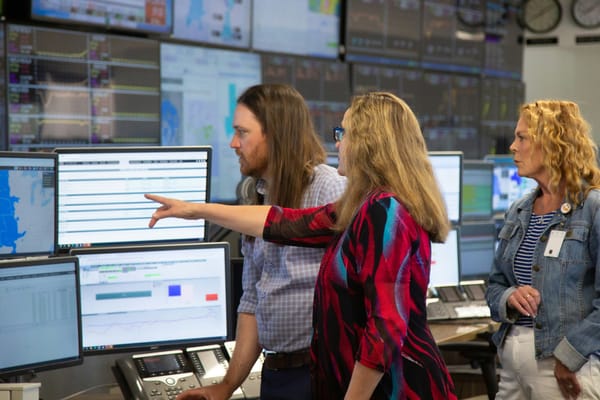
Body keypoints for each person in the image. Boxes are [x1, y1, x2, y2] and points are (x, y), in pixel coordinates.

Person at [146, 91, 458, 399]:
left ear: (368, 142)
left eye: (343, 132)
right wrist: (195, 209)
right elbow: (285, 223)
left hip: (399, 387)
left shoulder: (386, 211)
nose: (337, 142)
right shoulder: (362, 206)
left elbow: (385, 326)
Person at [179, 84, 346, 400]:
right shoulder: (254, 194)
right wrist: (227, 386)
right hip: (276, 375)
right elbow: (253, 299)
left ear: (276, 135)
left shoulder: (329, 189)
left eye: (242, 132)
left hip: (321, 374)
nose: (233, 143)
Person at [486, 100, 600, 400]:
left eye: (522, 137)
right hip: (513, 367)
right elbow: (496, 284)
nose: (513, 146)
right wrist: (509, 297)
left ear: (552, 144)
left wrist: (569, 355)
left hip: (567, 370)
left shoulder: (592, 209)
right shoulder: (519, 210)